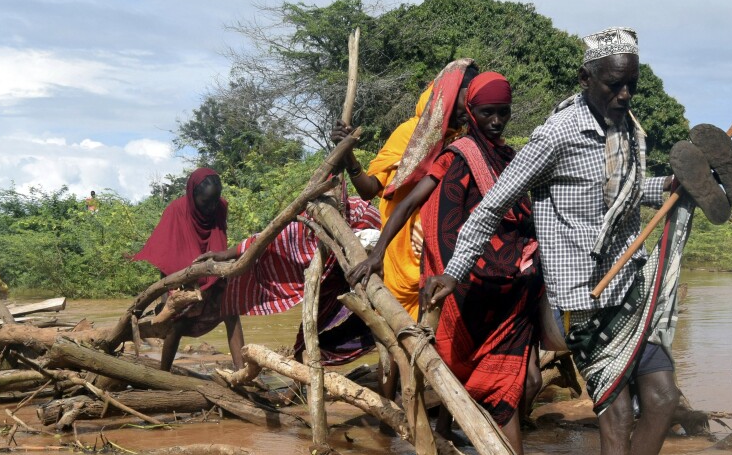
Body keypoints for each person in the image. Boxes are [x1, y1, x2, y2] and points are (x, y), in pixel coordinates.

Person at [423, 28, 732, 455]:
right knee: (615, 417)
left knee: (661, 400)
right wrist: (454, 272)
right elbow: (492, 205)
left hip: (629, 289)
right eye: (615, 83)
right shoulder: (557, 135)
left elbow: (630, 195)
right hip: (581, 299)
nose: (625, 93)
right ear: (586, 77)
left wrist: (676, 186)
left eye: (630, 83)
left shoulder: (628, 131)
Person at [411, 71, 543, 455]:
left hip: (515, 286)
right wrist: (377, 249)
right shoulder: (460, 156)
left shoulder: (510, 157)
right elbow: (429, 208)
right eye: (489, 112)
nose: (497, 121)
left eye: (504, 113)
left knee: (513, 382)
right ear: (471, 111)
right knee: (471, 371)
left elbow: (525, 213)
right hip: (470, 281)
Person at [339, 59, 477, 319]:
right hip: (400, 249)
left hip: (441, 250)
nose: (469, 106)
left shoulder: (466, 139)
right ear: (448, 94)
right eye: (465, 96)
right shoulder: (409, 134)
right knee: (400, 328)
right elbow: (370, 189)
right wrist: (348, 154)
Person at [210, 196, 384, 366]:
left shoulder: (362, 216)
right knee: (307, 344)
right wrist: (227, 254)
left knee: (382, 328)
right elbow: (267, 239)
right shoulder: (306, 229)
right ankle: (305, 379)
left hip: (374, 281)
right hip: (335, 278)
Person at [130, 167, 243, 370]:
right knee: (177, 323)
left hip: (212, 271)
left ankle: (241, 371)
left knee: (231, 311)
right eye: (205, 202)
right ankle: (164, 373)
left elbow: (217, 242)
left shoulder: (220, 207)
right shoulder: (176, 211)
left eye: (215, 201)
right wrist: (167, 299)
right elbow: (167, 254)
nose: (211, 207)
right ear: (192, 195)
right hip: (183, 277)